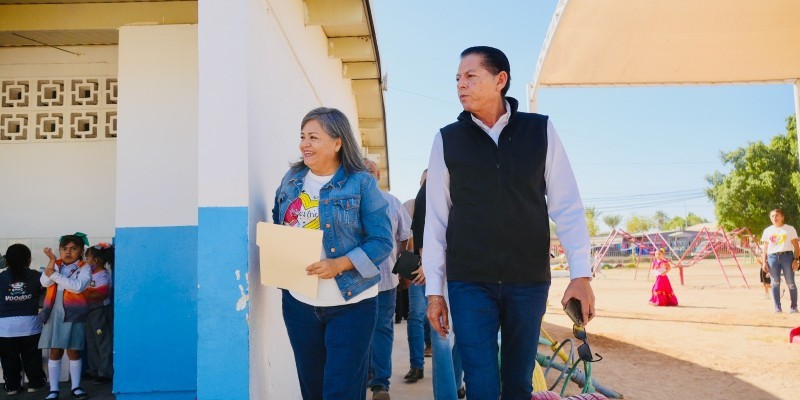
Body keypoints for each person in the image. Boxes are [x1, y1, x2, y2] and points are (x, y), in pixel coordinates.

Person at [423, 46, 595, 400]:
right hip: (469, 282)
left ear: (500, 80)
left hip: (528, 282)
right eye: (458, 78)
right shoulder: (447, 140)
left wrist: (581, 275)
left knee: (518, 383)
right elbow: (436, 222)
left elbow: (568, 206)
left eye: (471, 76)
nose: (461, 84)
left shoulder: (540, 130)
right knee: (482, 384)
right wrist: (434, 292)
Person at [271, 107, 393, 400]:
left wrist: (340, 263)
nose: (305, 144)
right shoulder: (292, 178)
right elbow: (280, 222)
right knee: (313, 392)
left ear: (338, 143)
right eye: (302, 137)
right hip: (299, 303)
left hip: (352, 304)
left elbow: (382, 240)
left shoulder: (361, 182)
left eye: (314, 137)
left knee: (342, 392)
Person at [411, 169, 463, 400]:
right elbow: (423, 232)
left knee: (461, 333)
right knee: (442, 335)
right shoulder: (429, 189)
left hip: (466, 272)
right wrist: (428, 267)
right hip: (443, 272)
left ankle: (455, 384)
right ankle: (447, 394)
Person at [364, 158, 412, 400]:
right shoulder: (350, 201)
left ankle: (380, 383)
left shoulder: (393, 203)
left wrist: (403, 270)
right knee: (360, 331)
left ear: (378, 175)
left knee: (382, 330)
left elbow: (406, 237)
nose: (367, 175)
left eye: (370, 171)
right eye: (362, 171)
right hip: (355, 283)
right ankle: (365, 377)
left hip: (385, 281)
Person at [39, 233, 92, 400]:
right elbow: (44, 283)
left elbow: (77, 287)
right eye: (64, 248)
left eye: (73, 248)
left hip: (74, 311)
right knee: (55, 349)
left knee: (74, 350)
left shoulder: (85, 267)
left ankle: (76, 387)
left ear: (81, 251)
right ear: (59, 250)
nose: (68, 252)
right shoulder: (56, 264)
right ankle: (54, 389)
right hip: (53, 310)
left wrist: (53, 274)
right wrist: (52, 262)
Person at [0, 244, 46, 395]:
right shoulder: (36, 276)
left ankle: (12, 386)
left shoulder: (1, 277)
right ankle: (35, 384)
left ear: (7, 260)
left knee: (9, 359)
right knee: (32, 357)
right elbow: (45, 290)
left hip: (5, 327)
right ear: (29, 259)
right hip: (30, 325)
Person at [404, 169, 428, 384]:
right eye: (424, 181)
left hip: (441, 267)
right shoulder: (409, 206)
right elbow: (403, 238)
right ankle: (416, 365)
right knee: (415, 315)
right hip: (414, 266)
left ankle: (453, 379)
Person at [83, 243, 114, 384]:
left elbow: (101, 293)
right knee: (91, 342)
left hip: (98, 311)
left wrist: (83, 292)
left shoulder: (102, 275)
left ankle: (105, 372)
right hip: (87, 312)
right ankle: (94, 370)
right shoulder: (88, 274)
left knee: (102, 342)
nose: (85, 261)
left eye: (87, 258)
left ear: (95, 260)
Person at [760, 209, 799, 313]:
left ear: (782, 217)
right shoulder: (767, 231)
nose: (774, 218)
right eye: (772, 216)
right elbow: (765, 248)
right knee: (775, 283)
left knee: (790, 282)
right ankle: (777, 307)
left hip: (787, 257)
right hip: (772, 258)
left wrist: (795, 260)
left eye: (777, 215)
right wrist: (764, 261)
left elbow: (796, 246)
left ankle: (794, 307)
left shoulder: (789, 229)